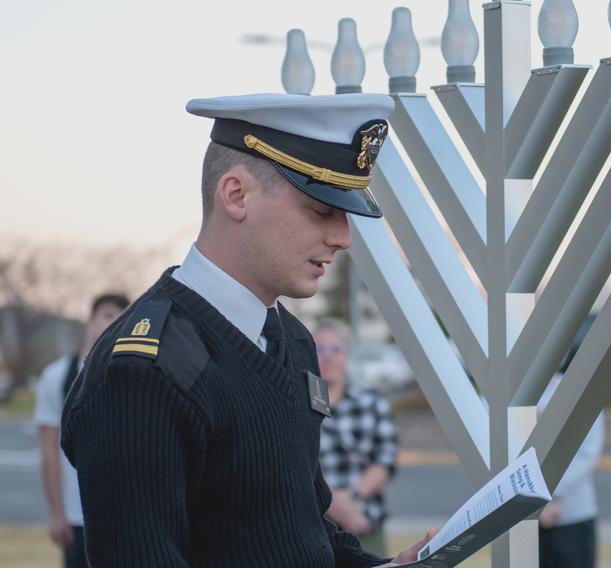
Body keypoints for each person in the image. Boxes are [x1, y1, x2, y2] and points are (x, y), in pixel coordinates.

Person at [61, 93, 432, 567]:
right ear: (236, 195)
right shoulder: (145, 371)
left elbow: (297, 528)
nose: (343, 237)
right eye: (321, 209)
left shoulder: (293, 341)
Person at [34, 293, 130, 568]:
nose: (114, 323)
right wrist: (56, 513)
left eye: (123, 318)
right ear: (90, 320)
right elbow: (49, 451)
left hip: (120, 514)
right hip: (76, 517)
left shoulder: (132, 373)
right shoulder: (56, 378)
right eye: (109, 316)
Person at [315, 319, 398, 558]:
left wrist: (350, 498)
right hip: (315, 528)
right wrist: (333, 505)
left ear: (347, 354)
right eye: (320, 349)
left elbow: (385, 459)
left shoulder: (371, 401)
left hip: (363, 521)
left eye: (336, 349)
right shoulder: (297, 403)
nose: (328, 357)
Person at [535, 362, 605, 567]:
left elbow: (587, 453)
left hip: (572, 514)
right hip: (520, 521)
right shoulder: (503, 396)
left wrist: (549, 494)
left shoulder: (580, 391)